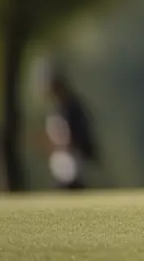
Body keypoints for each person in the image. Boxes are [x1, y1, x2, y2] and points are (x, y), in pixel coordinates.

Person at [40, 58, 99, 190]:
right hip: (64, 154)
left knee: (71, 182)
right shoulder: (57, 108)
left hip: (75, 154)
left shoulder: (72, 108)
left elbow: (77, 133)